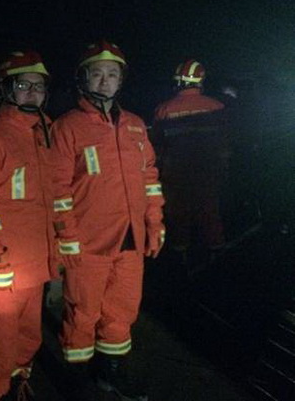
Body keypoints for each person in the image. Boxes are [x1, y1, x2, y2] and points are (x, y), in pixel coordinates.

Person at [51, 40, 165, 401]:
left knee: (122, 311)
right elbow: (57, 188)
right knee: (82, 313)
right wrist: (67, 237)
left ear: (121, 80)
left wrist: (154, 224)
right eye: (97, 73)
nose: (105, 81)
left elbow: (150, 179)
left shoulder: (135, 126)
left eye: (112, 74)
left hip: (130, 240)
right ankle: (76, 381)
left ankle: (109, 375)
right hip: (88, 242)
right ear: (83, 78)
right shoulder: (67, 127)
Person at [0, 51, 58, 401]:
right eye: (24, 85)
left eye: (39, 86)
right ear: (6, 89)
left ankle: (19, 385)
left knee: (28, 339)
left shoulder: (45, 133)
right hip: (2, 270)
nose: (33, 93)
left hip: (35, 266)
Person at [152, 60, 228, 271]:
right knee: (210, 212)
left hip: (176, 174)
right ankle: (218, 257)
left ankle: (180, 261)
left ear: (178, 82)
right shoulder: (217, 107)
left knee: (178, 216)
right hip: (208, 172)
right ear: (201, 81)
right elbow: (225, 143)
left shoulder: (164, 109)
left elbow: (156, 146)